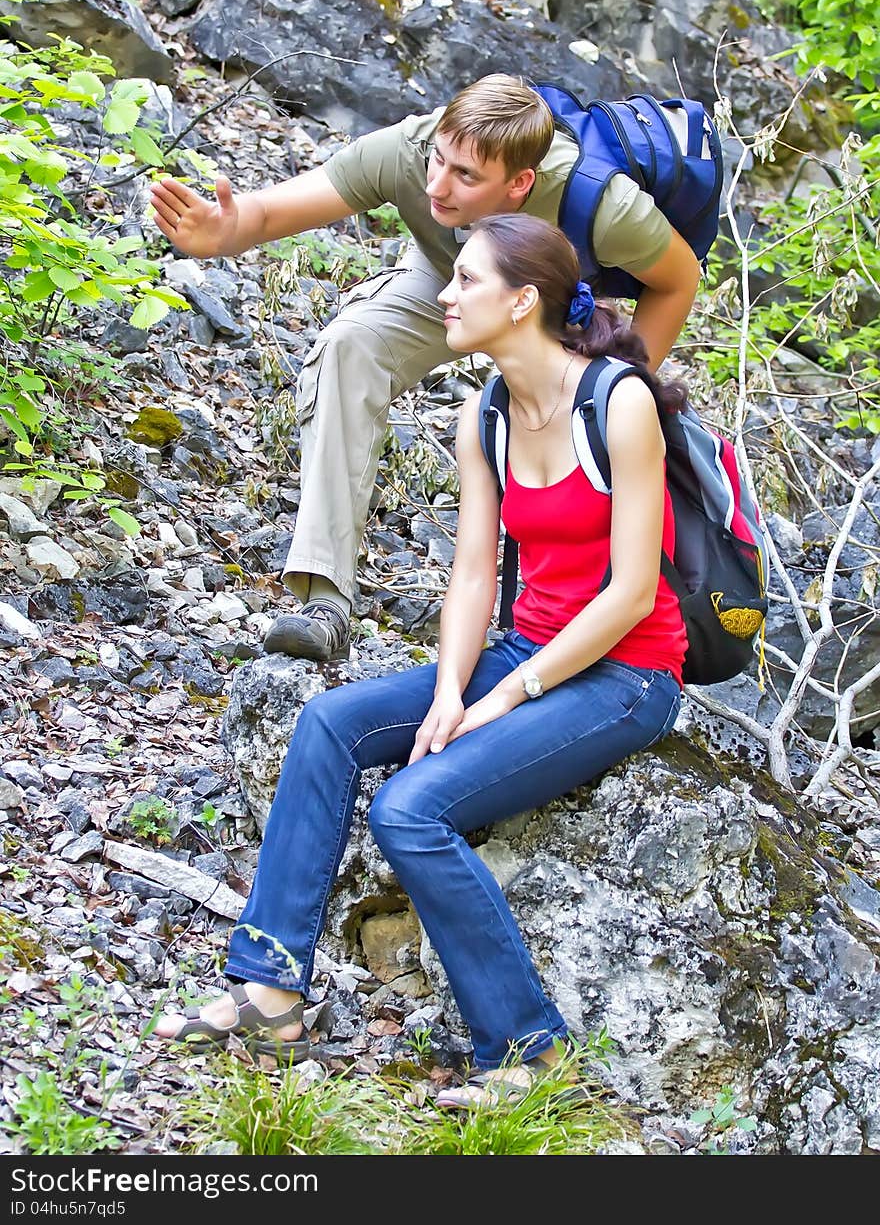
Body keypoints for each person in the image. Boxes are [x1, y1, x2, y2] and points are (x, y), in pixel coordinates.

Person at [153, 213, 687, 1108]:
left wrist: (507, 696)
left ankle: (529, 1054)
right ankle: (271, 990)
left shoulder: (618, 401)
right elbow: (474, 570)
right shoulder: (487, 409)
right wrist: (447, 692)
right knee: (327, 722)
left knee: (410, 808)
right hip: (525, 646)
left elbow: (632, 593)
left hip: (627, 677)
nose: (444, 293)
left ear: (523, 302)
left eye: (467, 280)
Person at [149, 75, 700, 662]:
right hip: (447, 282)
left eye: (466, 176)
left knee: (585, 437)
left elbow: (678, 278)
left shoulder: (600, 200)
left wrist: (611, 395)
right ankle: (325, 598)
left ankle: (574, 605)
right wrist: (222, 231)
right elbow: (265, 214)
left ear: (520, 184)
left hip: (552, 310)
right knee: (350, 345)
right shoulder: (408, 150)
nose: (437, 185)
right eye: (440, 159)